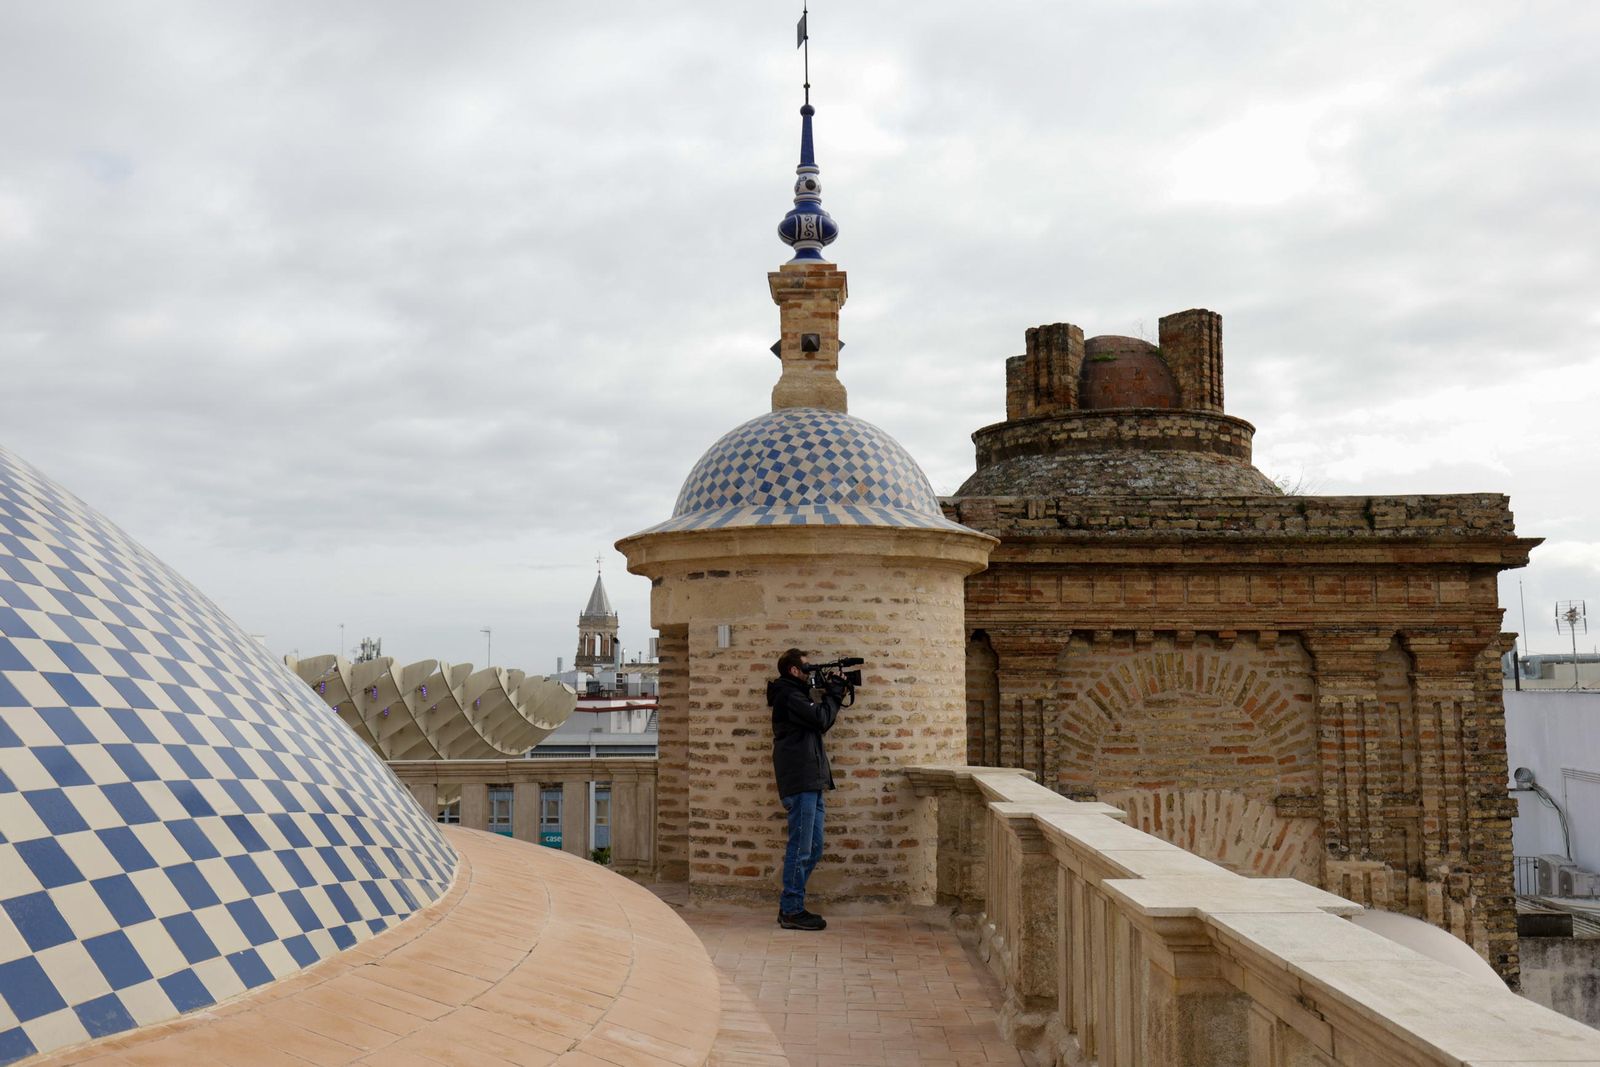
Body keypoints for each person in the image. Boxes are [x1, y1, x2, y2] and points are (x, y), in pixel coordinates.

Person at [766, 647, 846, 931]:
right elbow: (821, 719)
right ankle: (791, 910)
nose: (810, 671)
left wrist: (829, 689)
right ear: (794, 671)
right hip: (801, 780)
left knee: (813, 848)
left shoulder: (794, 694)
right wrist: (834, 693)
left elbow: (816, 720)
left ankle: (791, 905)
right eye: (807, 667)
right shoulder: (789, 696)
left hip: (811, 779)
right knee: (801, 847)